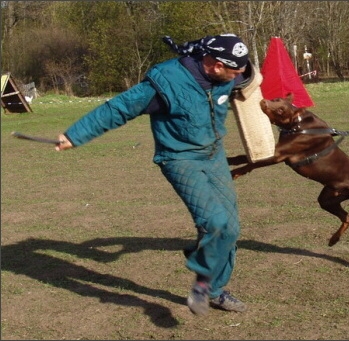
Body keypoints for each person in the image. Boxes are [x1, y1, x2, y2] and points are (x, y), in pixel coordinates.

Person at [55, 33, 253, 316]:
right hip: (179, 158)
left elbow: (250, 80)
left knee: (231, 229)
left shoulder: (230, 75)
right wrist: (75, 135)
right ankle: (203, 284)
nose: (239, 76)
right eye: (235, 71)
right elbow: (119, 108)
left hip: (214, 155)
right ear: (215, 65)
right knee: (215, 222)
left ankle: (216, 288)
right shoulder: (164, 84)